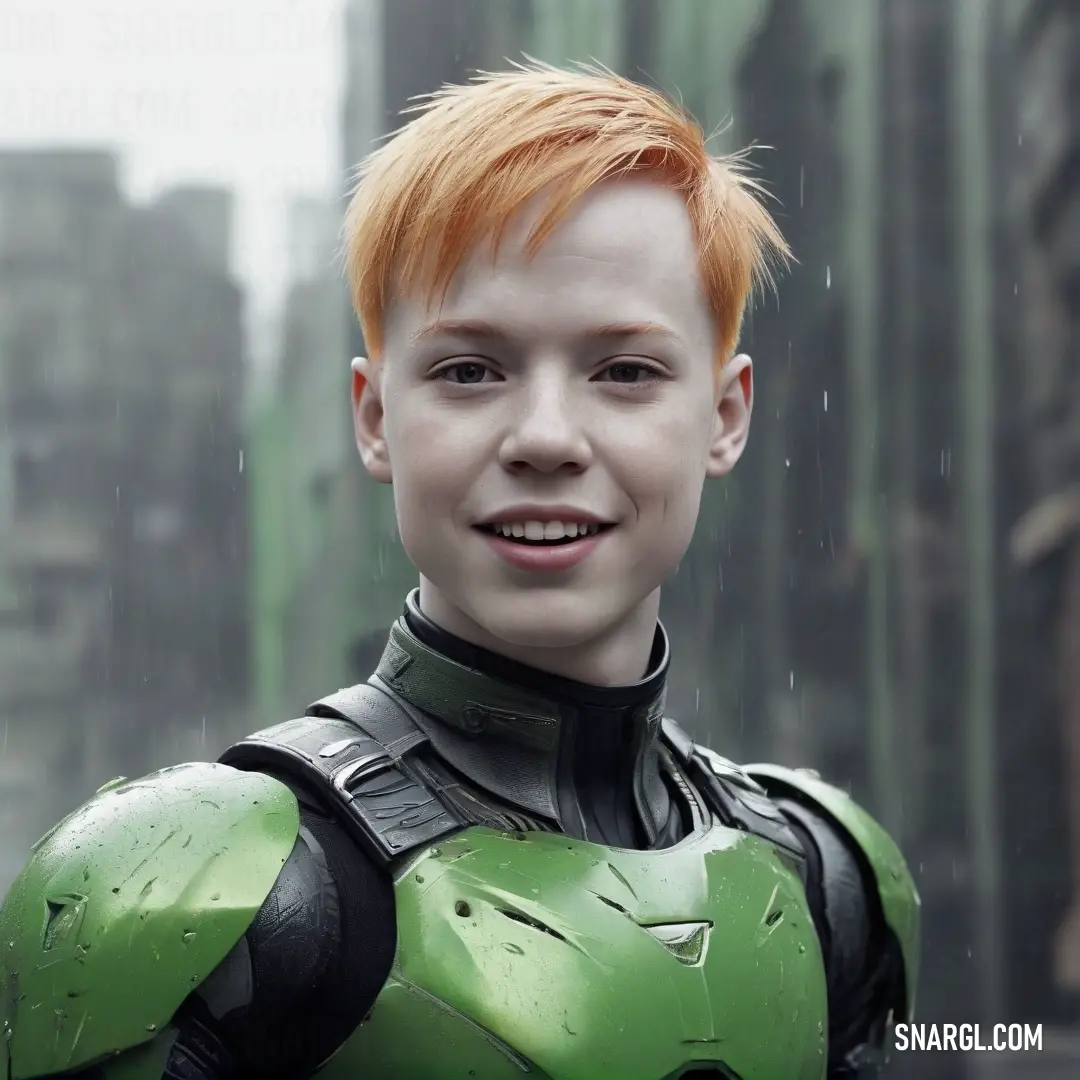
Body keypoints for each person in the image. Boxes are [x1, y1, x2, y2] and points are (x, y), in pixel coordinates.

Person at [0, 63, 918, 1079]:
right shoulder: (211, 899)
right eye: (470, 370)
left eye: (625, 371)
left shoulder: (830, 877)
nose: (545, 437)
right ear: (376, 416)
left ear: (726, 414)